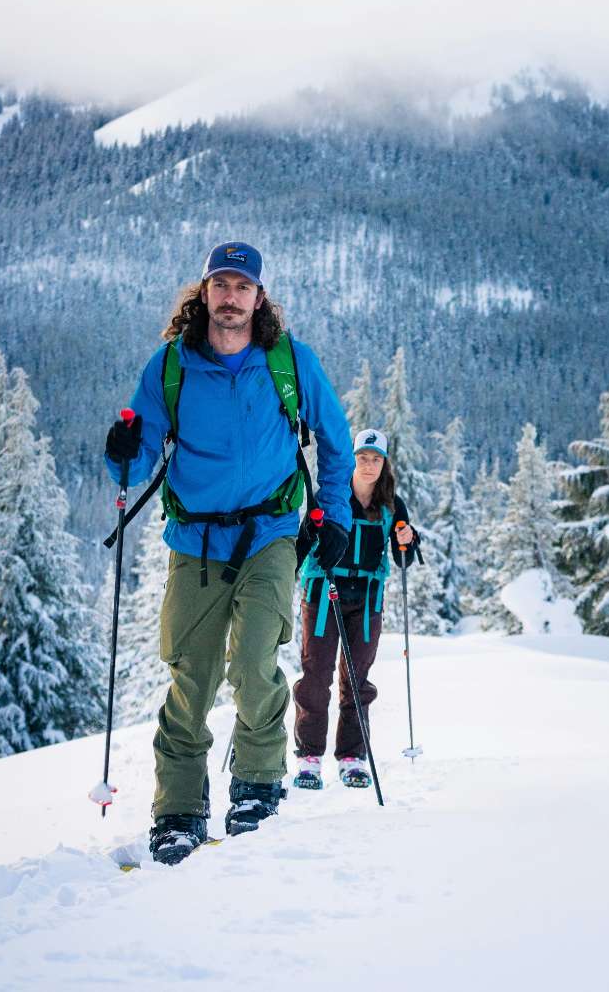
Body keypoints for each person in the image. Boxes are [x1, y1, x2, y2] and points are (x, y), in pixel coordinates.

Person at [106, 241, 356, 865]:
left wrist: (335, 517)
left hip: (272, 531)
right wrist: (123, 447)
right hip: (195, 540)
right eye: (221, 284)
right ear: (204, 292)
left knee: (251, 663)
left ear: (259, 296)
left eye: (242, 287)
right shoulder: (172, 367)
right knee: (192, 675)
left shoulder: (289, 361)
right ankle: (179, 812)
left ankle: (256, 788)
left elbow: (335, 439)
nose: (231, 297)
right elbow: (137, 459)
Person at [292, 428, 417, 790]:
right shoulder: (331, 498)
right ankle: (309, 759)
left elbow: (401, 557)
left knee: (357, 681)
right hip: (322, 592)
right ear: (352, 459)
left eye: (376, 459)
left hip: (366, 600)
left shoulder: (392, 504)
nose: (368, 465)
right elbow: (303, 541)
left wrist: (408, 539)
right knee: (316, 676)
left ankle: (351, 758)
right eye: (363, 458)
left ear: (384, 464)